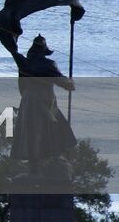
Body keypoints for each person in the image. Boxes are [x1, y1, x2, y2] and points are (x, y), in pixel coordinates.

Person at [9, 35, 76, 170]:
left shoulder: (25, 63)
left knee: (32, 132)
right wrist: (70, 82)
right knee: (55, 128)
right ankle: (55, 159)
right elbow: (65, 84)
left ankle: (35, 165)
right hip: (44, 99)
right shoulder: (48, 64)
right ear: (44, 51)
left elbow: (22, 85)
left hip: (28, 100)